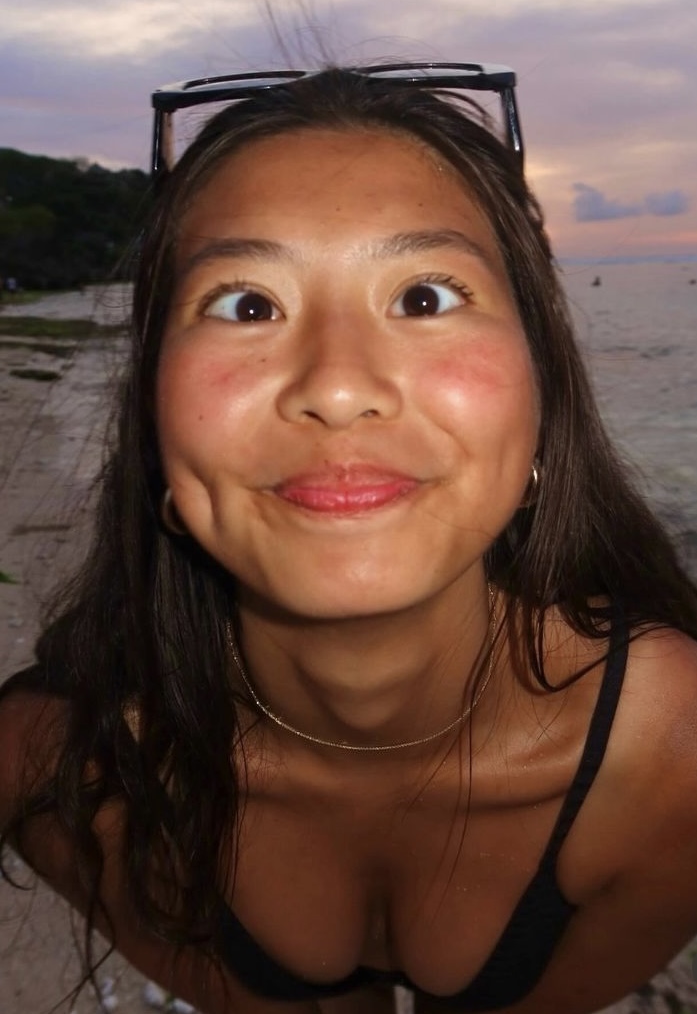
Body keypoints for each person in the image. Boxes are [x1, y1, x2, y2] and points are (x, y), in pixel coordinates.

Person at [1, 64, 697, 1014]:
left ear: (540, 385)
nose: (335, 387)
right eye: (246, 304)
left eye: (424, 297)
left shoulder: (673, 765)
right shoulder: (53, 770)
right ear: (154, 409)